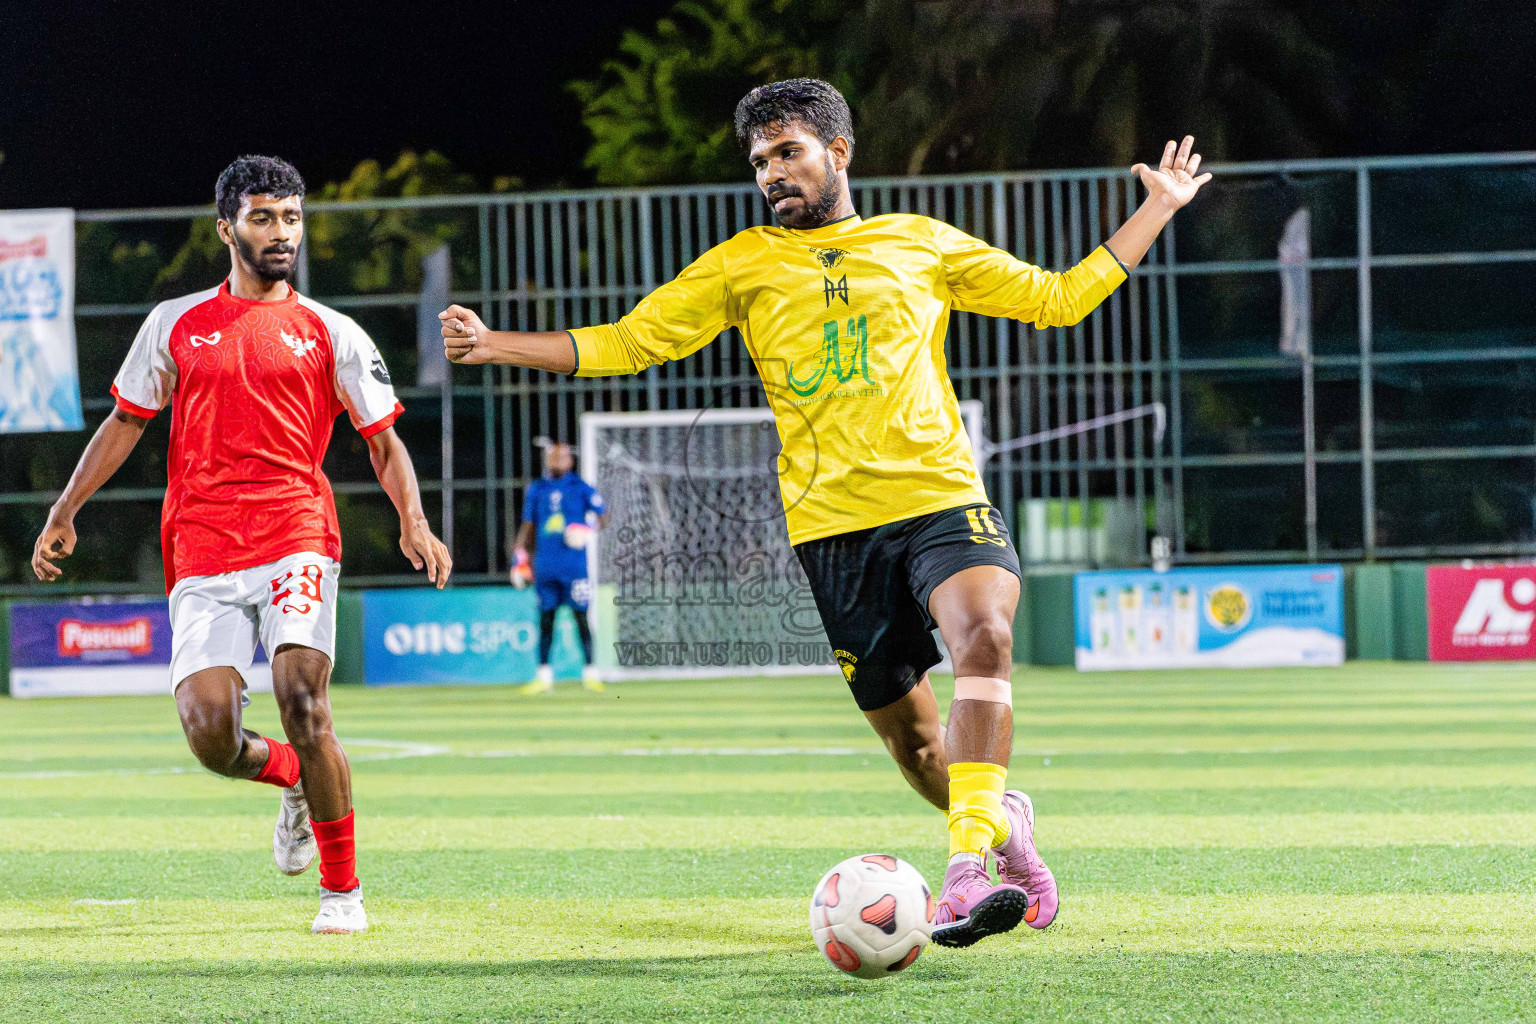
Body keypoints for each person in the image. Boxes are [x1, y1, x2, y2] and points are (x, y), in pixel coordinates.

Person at [440, 79, 1210, 947]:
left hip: (940, 496)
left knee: (986, 633)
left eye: (788, 152)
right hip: (831, 530)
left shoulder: (918, 244)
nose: (772, 172)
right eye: (760, 161)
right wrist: (496, 343)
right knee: (920, 751)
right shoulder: (739, 266)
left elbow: (1059, 298)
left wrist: (1158, 208)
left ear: (838, 153)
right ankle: (1005, 822)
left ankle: (963, 875)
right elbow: (630, 342)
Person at [32, 155, 451, 935]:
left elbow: (384, 442)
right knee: (212, 737)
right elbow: (126, 421)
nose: (282, 232)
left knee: (303, 699)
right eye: (264, 218)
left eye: (292, 218)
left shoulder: (334, 331)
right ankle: (292, 779)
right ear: (227, 228)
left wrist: (414, 521)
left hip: (297, 530)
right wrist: (64, 508)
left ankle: (343, 892)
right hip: (201, 545)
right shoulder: (175, 323)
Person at [511, 440, 607, 693]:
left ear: (570, 461)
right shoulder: (537, 489)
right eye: (552, 457)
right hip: (546, 567)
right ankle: (543, 676)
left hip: (575, 568)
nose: (556, 461)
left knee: (581, 619)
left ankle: (590, 673)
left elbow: (603, 516)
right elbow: (528, 527)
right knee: (545, 620)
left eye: (561, 457)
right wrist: (519, 560)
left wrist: (587, 530)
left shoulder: (581, 487)